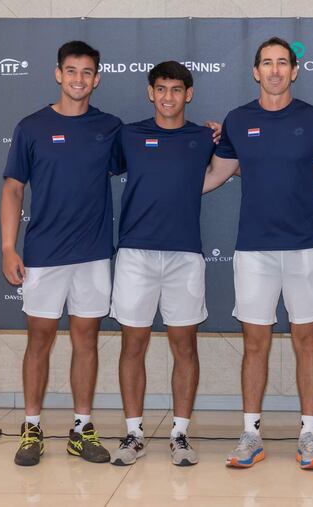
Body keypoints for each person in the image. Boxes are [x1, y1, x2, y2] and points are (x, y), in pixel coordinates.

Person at [202, 36, 313, 469]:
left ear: (295, 71)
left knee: (307, 343)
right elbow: (213, 177)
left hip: (304, 249)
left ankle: (308, 435)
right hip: (254, 252)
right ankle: (251, 434)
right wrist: (164, 177)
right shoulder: (237, 120)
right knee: (255, 344)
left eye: (283, 62)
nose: (275, 70)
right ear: (255, 71)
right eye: (267, 63)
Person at [1, 40, 121, 466]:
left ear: (97, 79)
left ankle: (81, 427)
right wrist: (7, 247)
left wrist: (208, 134)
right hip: (43, 254)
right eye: (72, 71)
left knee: (86, 339)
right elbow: (14, 188)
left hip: (91, 255)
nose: (78, 79)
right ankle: (31, 428)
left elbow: (152, 149)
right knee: (40, 339)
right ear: (58, 74)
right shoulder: (31, 127)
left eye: (87, 72)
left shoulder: (110, 127)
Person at [108, 61, 218, 467]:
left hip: (185, 255)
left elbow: (232, 164)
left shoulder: (205, 136)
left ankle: (180, 434)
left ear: (188, 94)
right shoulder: (129, 135)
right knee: (132, 343)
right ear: (150, 92)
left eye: (176, 89)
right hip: (135, 254)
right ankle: (134, 433)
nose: (168, 96)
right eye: (161, 89)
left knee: (184, 345)